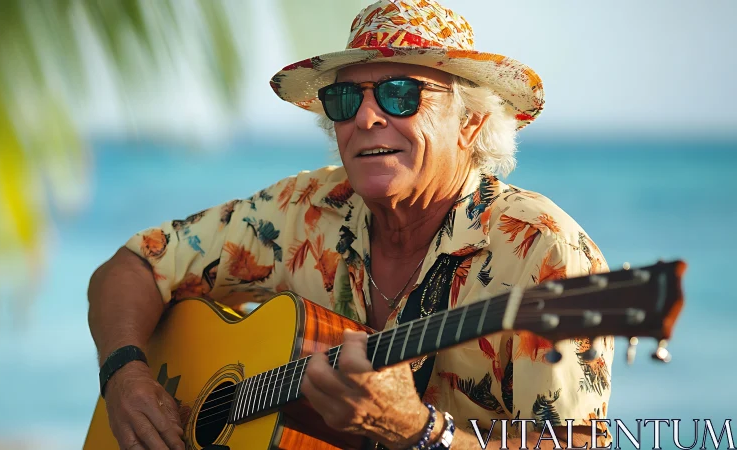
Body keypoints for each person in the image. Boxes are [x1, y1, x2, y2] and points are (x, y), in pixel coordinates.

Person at [87, 0, 613, 449]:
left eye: (401, 94)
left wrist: (421, 432)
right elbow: (137, 264)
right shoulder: (306, 206)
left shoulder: (544, 251)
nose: (366, 118)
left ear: (470, 122)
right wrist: (124, 373)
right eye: (345, 99)